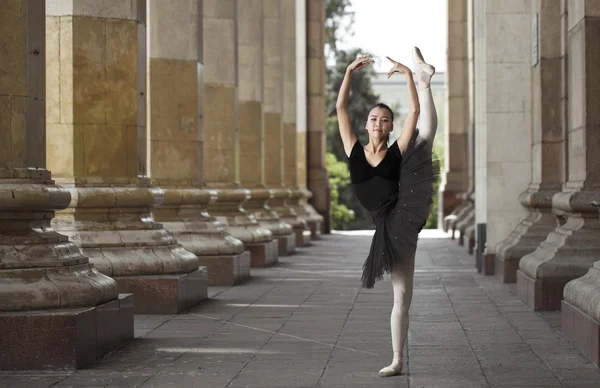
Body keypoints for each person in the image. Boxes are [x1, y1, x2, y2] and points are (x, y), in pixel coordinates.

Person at [335, 47, 438, 377]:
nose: (378, 123)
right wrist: (350, 72)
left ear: (390, 126)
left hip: (402, 216)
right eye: (373, 119)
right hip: (383, 223)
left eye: (384, 119)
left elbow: (414, 113)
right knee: (401, 294)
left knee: (402, 294)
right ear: (366, 125)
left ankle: (397, 358)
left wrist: (407, 74)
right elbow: (340, 109)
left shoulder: (396, 151)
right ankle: (398, 359)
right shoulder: (353, 149)